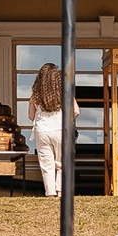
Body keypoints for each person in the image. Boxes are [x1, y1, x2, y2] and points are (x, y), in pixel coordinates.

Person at [30, 61, 69, 198]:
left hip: (42, 131)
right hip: (59, 129)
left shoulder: (35, 95)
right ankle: (60, 192)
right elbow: (76, 110)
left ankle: (50, 192)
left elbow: (31, 116)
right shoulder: (63, 93)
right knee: (61, 162)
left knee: (47, 164)